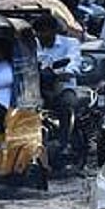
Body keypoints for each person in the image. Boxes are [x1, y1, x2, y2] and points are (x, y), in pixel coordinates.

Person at [33, 14, 83, 159]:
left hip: (62, 86)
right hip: (36, 87)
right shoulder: (31, 45)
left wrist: (66, 72)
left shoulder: (70, 43)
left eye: (46, 31)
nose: (42, 35)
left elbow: (74, 62)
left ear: (54, 31)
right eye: (39, 31)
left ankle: (64, 142)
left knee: (67, 105)